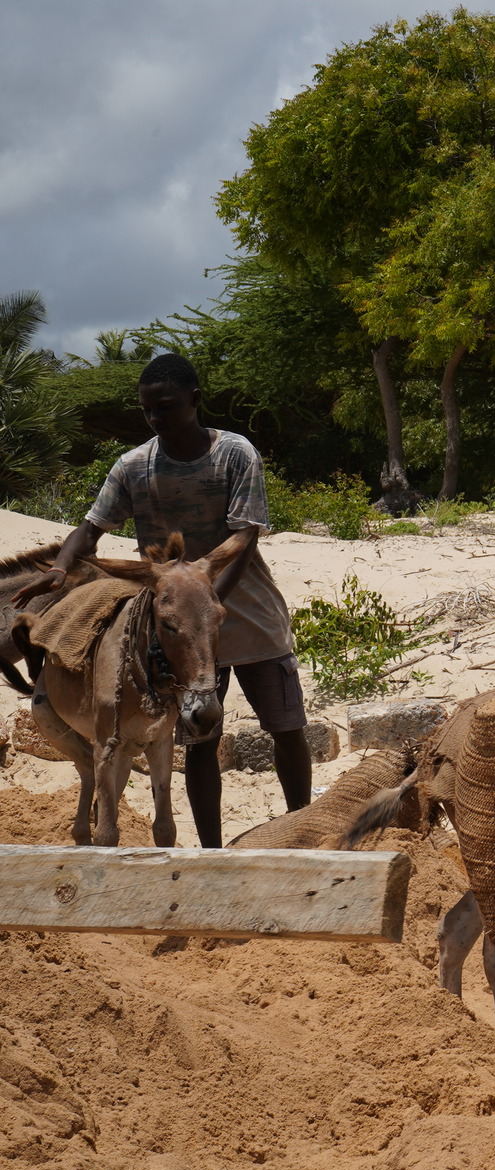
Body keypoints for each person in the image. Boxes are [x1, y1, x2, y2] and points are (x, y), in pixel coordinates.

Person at [11, 353, 310, 845]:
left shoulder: (235, 454)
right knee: (198, 737)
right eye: (148, 411)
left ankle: (304, 831)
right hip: (169, 625)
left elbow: (244, 539)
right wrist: (61, 568)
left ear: (195, 400)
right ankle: (211, 854)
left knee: (286, 726)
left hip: (245, 613)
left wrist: (203, 605)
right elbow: (90, 529)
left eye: (166, 407)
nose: (156, 419)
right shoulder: (133, 465)